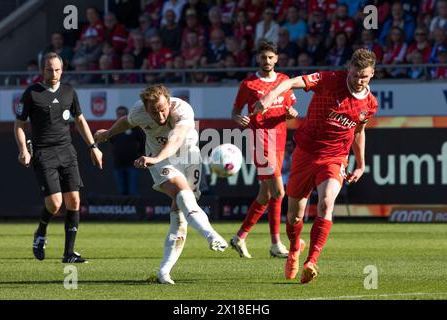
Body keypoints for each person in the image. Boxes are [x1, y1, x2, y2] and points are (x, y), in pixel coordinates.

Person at [254, 48, 378, 283]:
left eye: (364, 76)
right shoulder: (330, 79)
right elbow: (290, 82)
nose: (358, 80)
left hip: (335, 157)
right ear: (348, 70)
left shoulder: (370, 104)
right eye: (355, 75)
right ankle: (294, 249)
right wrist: (269, 98)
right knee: (294, 216)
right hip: (306, 153)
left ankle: (311, 261)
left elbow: (359, 132)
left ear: (372, 74)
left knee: (326, 202)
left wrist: (360, 165)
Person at [93, 84, 227, 284]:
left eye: (163, 109)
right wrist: (107, 134)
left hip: (188, 158)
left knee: (179, 213)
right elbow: (126, 122)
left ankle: (164, 271)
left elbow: (176, 139)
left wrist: (154, 158)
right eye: (154, 112)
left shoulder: (182, 110)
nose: (160, 115)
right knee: (181, 191)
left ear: (168, 101)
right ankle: (210, 234)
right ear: (146, 109)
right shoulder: (140, 110)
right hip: (161, 159)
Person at [14, 52, 103, 263]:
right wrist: (23, 150)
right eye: (49, 69)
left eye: (57, 69)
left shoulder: (69, 92)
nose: (53, 73)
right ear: (41, 70)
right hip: (44, 153)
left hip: (67, 151)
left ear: (62, 70)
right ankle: (41, 232)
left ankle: (69, 253)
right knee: (55, 204)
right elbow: (19, 125)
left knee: (74, 201)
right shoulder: (32, 93)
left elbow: (80, 120)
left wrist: (93, 147)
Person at [230, 41, 299, 259]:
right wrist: (237, 118)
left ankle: (240, 237)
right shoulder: (249, 84)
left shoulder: (284, 81)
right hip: (261, 139)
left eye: (270, 57)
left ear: (276, 58)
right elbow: (234, 110)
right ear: (257, 59)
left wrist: (291, 114)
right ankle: (276, 243)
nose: (266, 61)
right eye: (263, 57)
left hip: (279, 139)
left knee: (265, 194)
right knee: (279, 192)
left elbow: (289, 109)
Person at [109, 106, 145, 195]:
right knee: (122, 192)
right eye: (119, 114)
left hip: (132, 164)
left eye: (123, 114)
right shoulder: (113, 128)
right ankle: (125, 209)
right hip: (118, 164)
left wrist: (139, 154)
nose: (121, 116)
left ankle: (136, 209)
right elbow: (111, 141)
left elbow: (143, 140)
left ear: (127, 115)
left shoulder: (134, 127)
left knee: (133, 191)